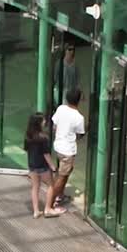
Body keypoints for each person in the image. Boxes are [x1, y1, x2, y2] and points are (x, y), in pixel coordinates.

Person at [44, 88, 86, 217]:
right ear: (79, 100)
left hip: (58, 146)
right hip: (68, 151)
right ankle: (49, 206)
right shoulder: (79, 117)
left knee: (65, 172)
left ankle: (59, 195)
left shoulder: (61, 108)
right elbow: (80, 134)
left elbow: (55, 125)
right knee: (62, 177)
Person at [24, 113, 54, 218]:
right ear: (39, 123)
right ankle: (47, 209)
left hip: (32, 165)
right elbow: (46, 154)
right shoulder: (43, 138)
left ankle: (36, 211)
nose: (45, 122)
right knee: (51, 186)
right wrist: (53, 166)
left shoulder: (28, 136)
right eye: (43, 120)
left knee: (35, 187)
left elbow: (27, 151)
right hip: (42, 166)